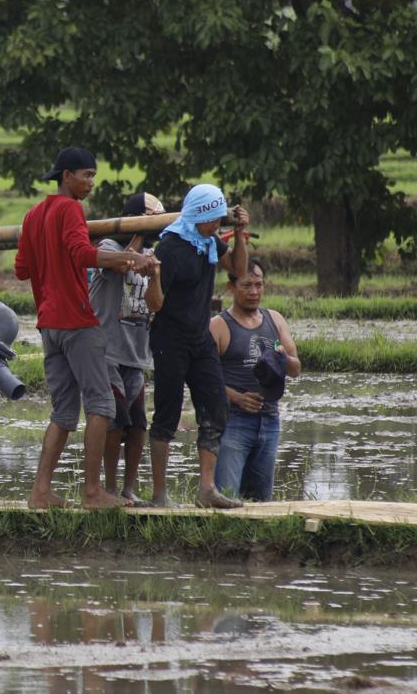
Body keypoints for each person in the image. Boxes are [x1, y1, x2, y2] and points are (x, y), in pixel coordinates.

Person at [14, 147, 155, 510]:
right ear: (66, 176)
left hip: (49, 325)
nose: (91, 183)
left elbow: (22, 269)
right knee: (102, 406)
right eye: (86, 175)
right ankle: (93, 492)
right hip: (77, 321)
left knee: (62, 412)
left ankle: (40, 492)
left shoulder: (33, 215)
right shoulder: (70, 209)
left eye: (93, 175)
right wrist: (131, 258)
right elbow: (82, 254)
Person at [144, 183, 250, 509]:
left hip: (199, 337)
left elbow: (239, 270)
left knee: (216, 406)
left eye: (221, 218)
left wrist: (241, 232)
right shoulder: (171, 248)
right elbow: (155, 305)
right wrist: (154, 277)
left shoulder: (207, 241)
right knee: (167, 412)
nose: (217, 224)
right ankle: (160, 494)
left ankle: (207, 489)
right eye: (212, 219)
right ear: (197, 215)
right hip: (169, 339)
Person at [88, 192, 168, 505]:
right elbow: (119, 268)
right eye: (152, 218)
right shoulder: (110, 247)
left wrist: (156, 274)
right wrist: (139, 240)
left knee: (137, 425)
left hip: (137, 353)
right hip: (106, 350)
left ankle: (128, 487)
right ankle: (108, 486)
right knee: (113, 419)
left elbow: (156, 304)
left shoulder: (150, 254)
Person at [210, 258, 300, 501]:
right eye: (246, 285)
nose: (254, 292)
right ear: (231, 287)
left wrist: (282, 359)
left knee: (262, 501)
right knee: (227, 496)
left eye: (259, 285)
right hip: (234, 421)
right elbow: (204, 381)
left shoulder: (275, 320)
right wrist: (238, 398)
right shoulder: (218, 326)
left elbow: (296, 368)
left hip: (270, 419)